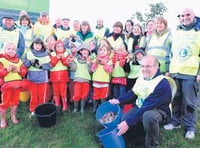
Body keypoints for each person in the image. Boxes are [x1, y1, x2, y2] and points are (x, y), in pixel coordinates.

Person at [109, 55, 173, 148]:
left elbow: (147, 106)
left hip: (159, 111)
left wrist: (128, 123)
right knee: (124, 119)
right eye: (142, 66)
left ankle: (152, 144)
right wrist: (118, 100)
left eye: (148, 66)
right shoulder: (141, 77)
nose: (144, 69)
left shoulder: (162, 83)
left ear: (156, 67)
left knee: (148, 117)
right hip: (141, 107)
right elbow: (133, 93)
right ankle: (137, 140)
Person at [164, 8, 200, 139]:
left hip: (191, 73)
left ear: (194, 15)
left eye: (188, 15)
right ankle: (175, 122)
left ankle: (190, 127)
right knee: (175, 99)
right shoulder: (176, 32)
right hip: (175, 72)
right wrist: (168, 69)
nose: (185, 17)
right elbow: (170, 52)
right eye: (183, 15)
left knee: (190, 102)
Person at [0, 42, 27, 128]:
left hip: (17, 85)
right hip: (7, 86)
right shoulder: (2, 60)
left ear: (16, 51)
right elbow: (1, 73)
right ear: (4, 50)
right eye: (8, 49)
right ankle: (3, 119)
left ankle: (13, 116)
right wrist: (7, 70)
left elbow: (24, 72)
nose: (11, 51)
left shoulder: (19, 61)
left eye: (13, 49)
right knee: (5, 102)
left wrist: (19, 70)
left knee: (15, 101)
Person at [23, 38, 51, 115]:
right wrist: (30, 62)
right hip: (32, 78)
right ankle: (33, 109)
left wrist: (41, 67)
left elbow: (49, 65)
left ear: (42, 45)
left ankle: (42, 109)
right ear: (33, 45)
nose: (37, 46)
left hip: (42, 79)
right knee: (33, 95)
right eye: (36, 44)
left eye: (39, 44)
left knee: (42, 96)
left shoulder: (45, 54)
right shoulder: (29, 54)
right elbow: (24, 65)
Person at [49, 40, 71, 112]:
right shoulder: (51, 54)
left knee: (63, 91)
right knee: (55, 91)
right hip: (54, 76)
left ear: (63, 47)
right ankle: (57, 104)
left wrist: (62, 58)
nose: (59, 48)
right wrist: (57, 58)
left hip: (63, 76)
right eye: (57, 46)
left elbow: (68, 64)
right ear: (55, 48)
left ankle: (65, 105)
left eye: (61, 46)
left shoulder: (67, 54)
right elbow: (51, 64)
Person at [70, 44, 92, 114]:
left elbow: (90, 71)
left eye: (87, 51)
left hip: (86, 80)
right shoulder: (75, 60)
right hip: (78, 80)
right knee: (76, 95)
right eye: (84, 50)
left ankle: (82, 108)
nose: (85, 52)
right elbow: (73, 69)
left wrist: (89, 64)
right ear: (80, 51)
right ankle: (76, 108)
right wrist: (71, 62)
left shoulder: (90, 60)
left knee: (84, 95)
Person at [90, 44, 113, 112]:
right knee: (95, 95)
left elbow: (110, 71)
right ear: (98, 51)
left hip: (104, 81)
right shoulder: (95, 59)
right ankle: (95, 108)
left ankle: (102, 108)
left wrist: (104, 64)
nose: (102, 52)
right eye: (100, 50)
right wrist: (96, 63)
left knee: (103, 96)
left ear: (107, 52)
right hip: (96, 80)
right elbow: (92, 69)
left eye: (104, 50)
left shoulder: (109, 61)